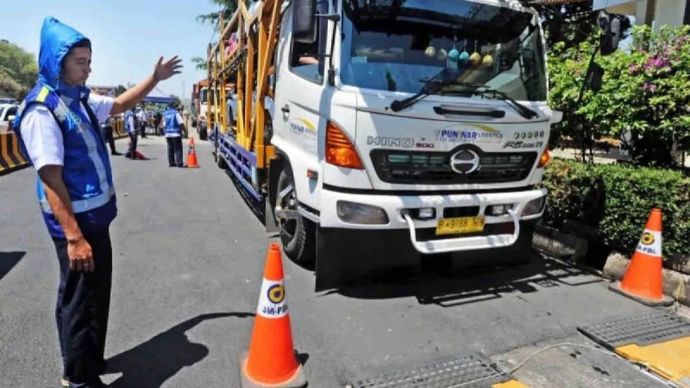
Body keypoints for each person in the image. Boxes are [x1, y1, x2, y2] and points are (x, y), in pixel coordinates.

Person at [12, 17, 181, 388]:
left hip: (95, 219)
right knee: (79, 301)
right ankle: (78, 379)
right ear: (57, 63)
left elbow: (120, 104)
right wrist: (73, 237)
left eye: (89, 61)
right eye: (80, 62)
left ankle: (88, 359)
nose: (88, 69)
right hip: (77, 224)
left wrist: (154, 79)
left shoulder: (79, 98)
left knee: (93, 296)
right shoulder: (43, 110)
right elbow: (51, 178)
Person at [162, 101, 186, 167]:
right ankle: (179, 163)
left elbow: (164, 125)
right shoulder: (176, 113)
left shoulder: (165, 114)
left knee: (170, 149)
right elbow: (181, 123)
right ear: (174, 107)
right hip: (176, 133)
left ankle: (171, 163)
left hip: (168, 134)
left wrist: (165, 134)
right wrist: (185, 131)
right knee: (178, 149)